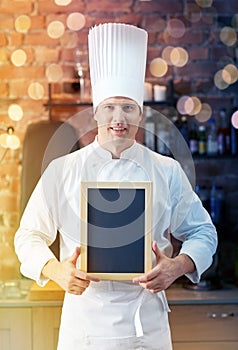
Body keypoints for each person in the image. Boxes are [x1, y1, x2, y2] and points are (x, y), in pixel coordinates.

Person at [15, 23, 217, 350]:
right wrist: (55, 270)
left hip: (146, 324)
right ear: (95, 113)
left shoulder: (166, 171)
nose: (118, 118)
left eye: (128, 108)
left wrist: (177, 267)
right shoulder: (62, 170)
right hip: (84, 326)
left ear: (140, 114)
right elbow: (28, 236)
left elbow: (204, 232)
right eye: (109, 107)